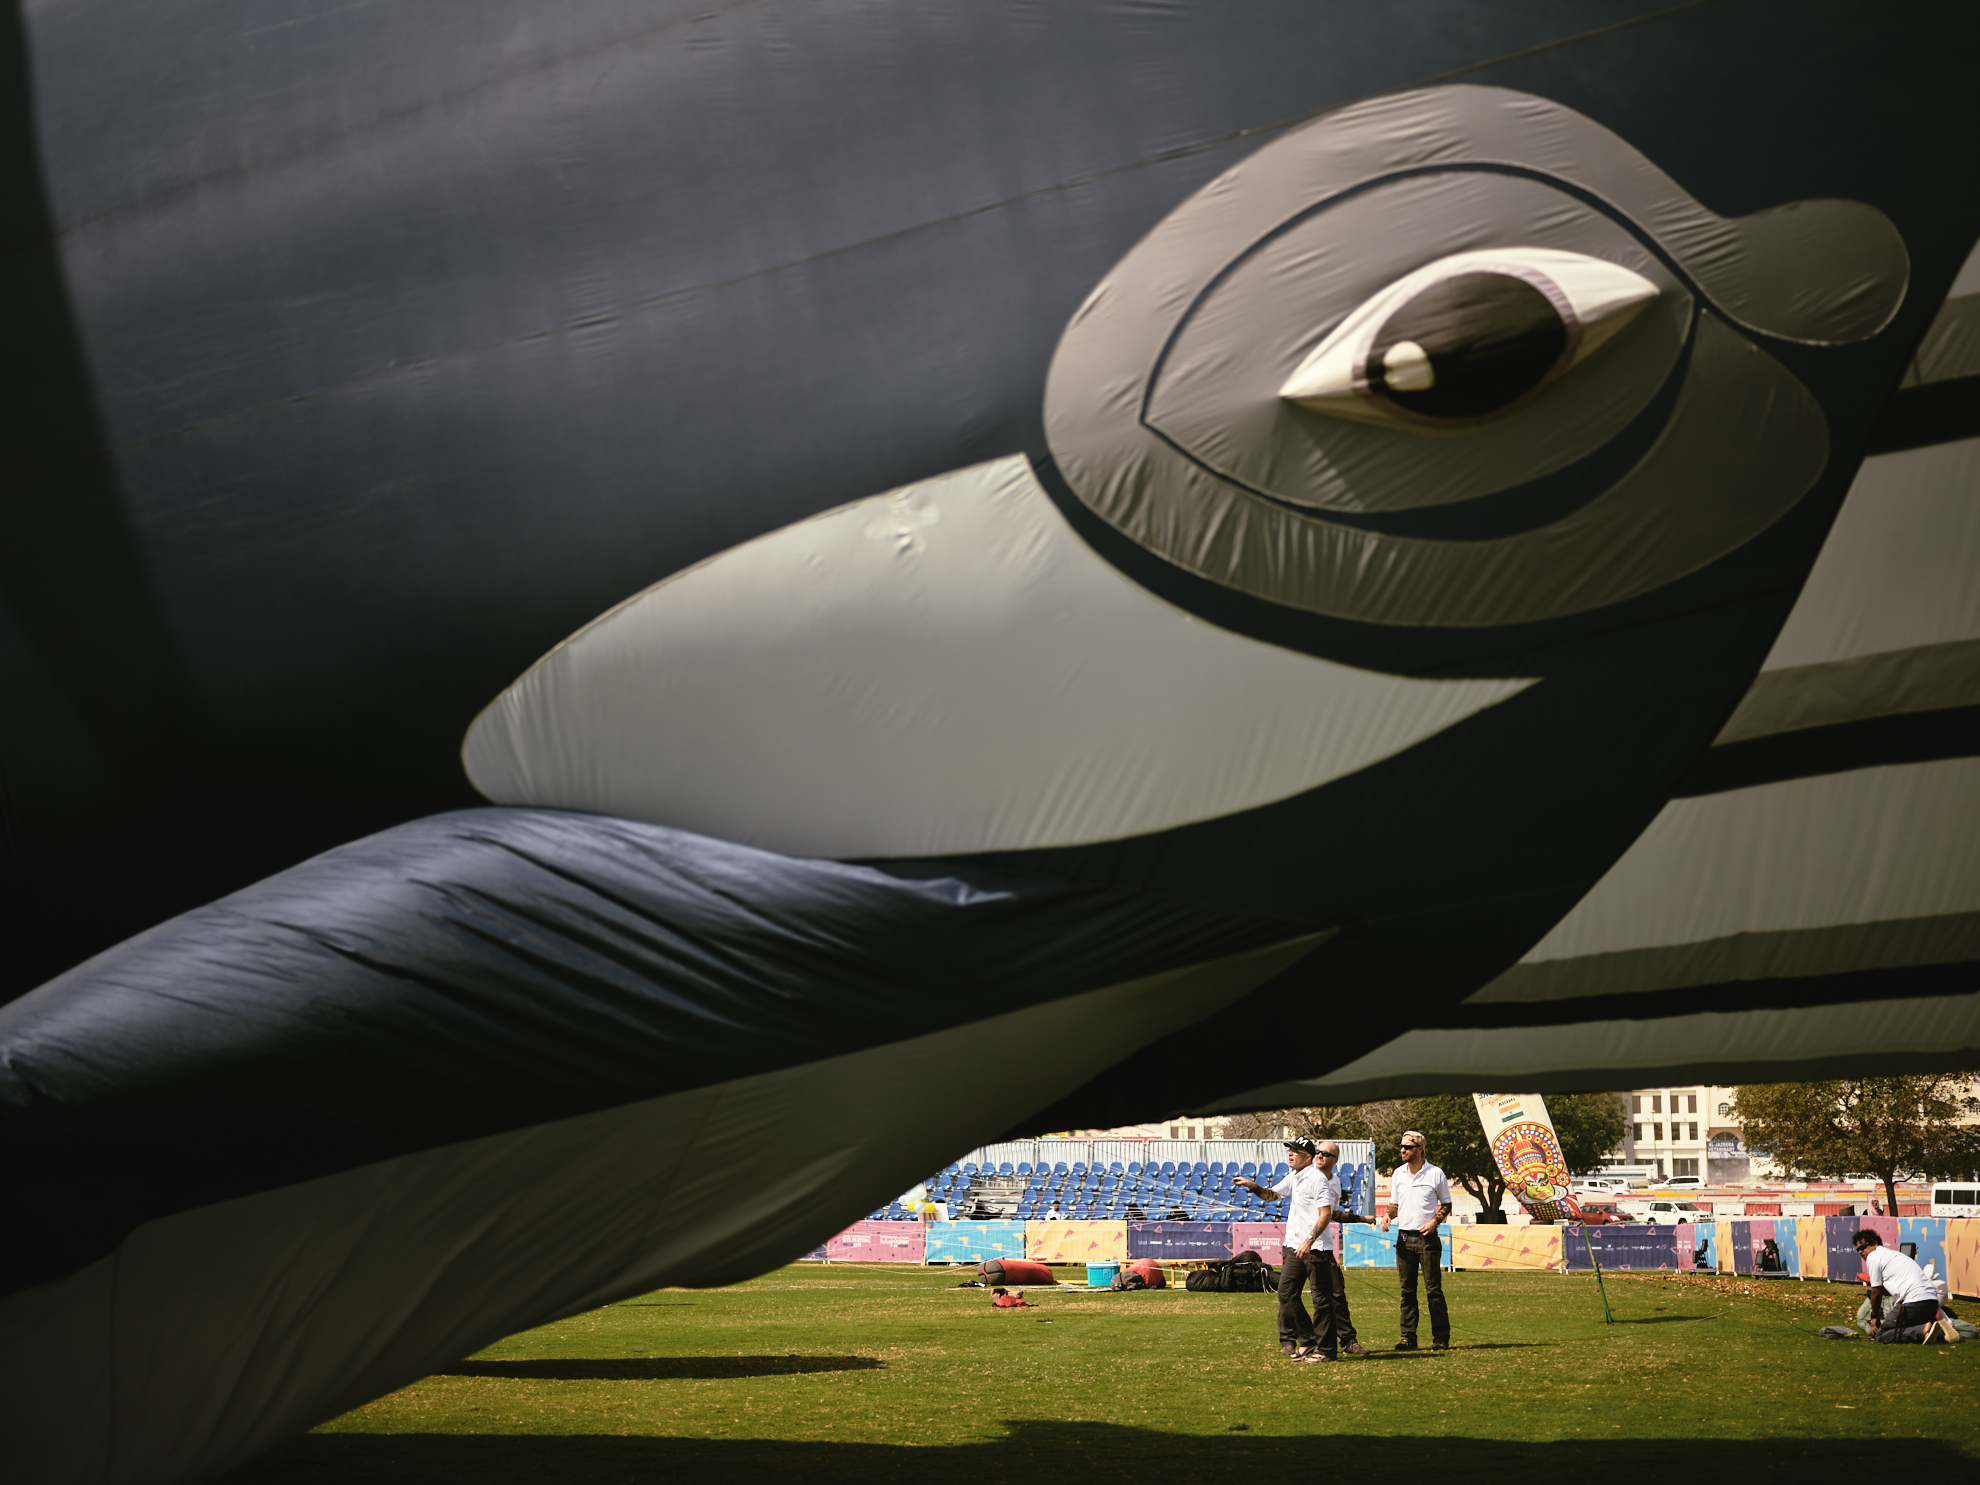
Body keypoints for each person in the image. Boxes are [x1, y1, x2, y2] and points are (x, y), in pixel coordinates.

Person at [1236, 1137, 1337, 1361]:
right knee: (1286, 1293)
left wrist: (1309, 1240)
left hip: (1315, 1248)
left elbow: (1326, 1214)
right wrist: (1252, 1185)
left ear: (1308, 1157)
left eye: (1296, 1151)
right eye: (1290, 1150)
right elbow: (1270, 1194)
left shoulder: (1317, 1179)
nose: (1290, 1153)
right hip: (1294, 1247)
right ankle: (1309, 1340)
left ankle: (1327, 1350)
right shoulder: (1295, 1176)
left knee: (1321, 1301)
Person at [1379, 1129, 1451, 1351]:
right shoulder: (1398, 1174)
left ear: (1420, 1149)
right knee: (1407, 1291)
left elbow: (1446, 1204)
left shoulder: (1435, 1173)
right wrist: (1387, 1215)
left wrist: (1434, 1223)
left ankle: (1440, 1338)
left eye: (1408, 1147)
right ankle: (1407, 1337)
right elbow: (1395, 1205)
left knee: (1433, 1290)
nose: (1403, 1150)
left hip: (1427, 1240)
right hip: (1404, 1239)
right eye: (1401, 1147)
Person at [1314, 1140, 1371, 1356]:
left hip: (1324, 1245)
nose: (1319, 1156)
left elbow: (1333, 1214)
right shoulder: (1305, 1176)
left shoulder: (1335, 1182)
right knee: (1289, 1296)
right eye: (1317, 1152)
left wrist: (1361, 1218)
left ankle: (1348, 1341)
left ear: (1335, 1160)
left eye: (1325, 1154)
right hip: (1298, 1245)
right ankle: (1296, 1341)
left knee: (1337, 1293)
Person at [1856, 1230, 1947, 1343]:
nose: (1860, 1251)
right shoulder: (1896, 1255)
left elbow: (1876, 1291)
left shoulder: (1873, 1256)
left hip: (1913, 1304)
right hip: (1933, 1303)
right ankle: (1941, 1333)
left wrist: (1874, 1317)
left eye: (1863, 1247)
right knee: (1899, 1327)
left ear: (1875, 1243)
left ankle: (1924, 1331)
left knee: (1881, 1334)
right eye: (1857, 1249)